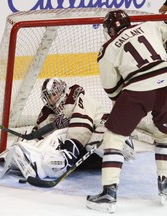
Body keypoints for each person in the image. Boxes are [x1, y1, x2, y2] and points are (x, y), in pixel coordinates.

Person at [86, 10, 167, 213]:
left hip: (137, 90)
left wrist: (124, 112)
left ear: (110, 30)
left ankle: (108, 194)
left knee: (114, 138)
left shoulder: (107, 48)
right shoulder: (150, 25)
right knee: (164, 135)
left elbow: (112, 90)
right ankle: (165, 188)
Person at [0, 78, 134, 180]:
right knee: (55, 137)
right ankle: (27, 159)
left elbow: (83, 122)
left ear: (62, 90)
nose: (52, 99)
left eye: (54, 94)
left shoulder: (78, 98)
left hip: (108, 133)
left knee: (86, 141)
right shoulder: (49, 113)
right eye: (48, 96)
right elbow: (37, 133)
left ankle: (68, 156)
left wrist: (70, 151)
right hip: (90, 156)